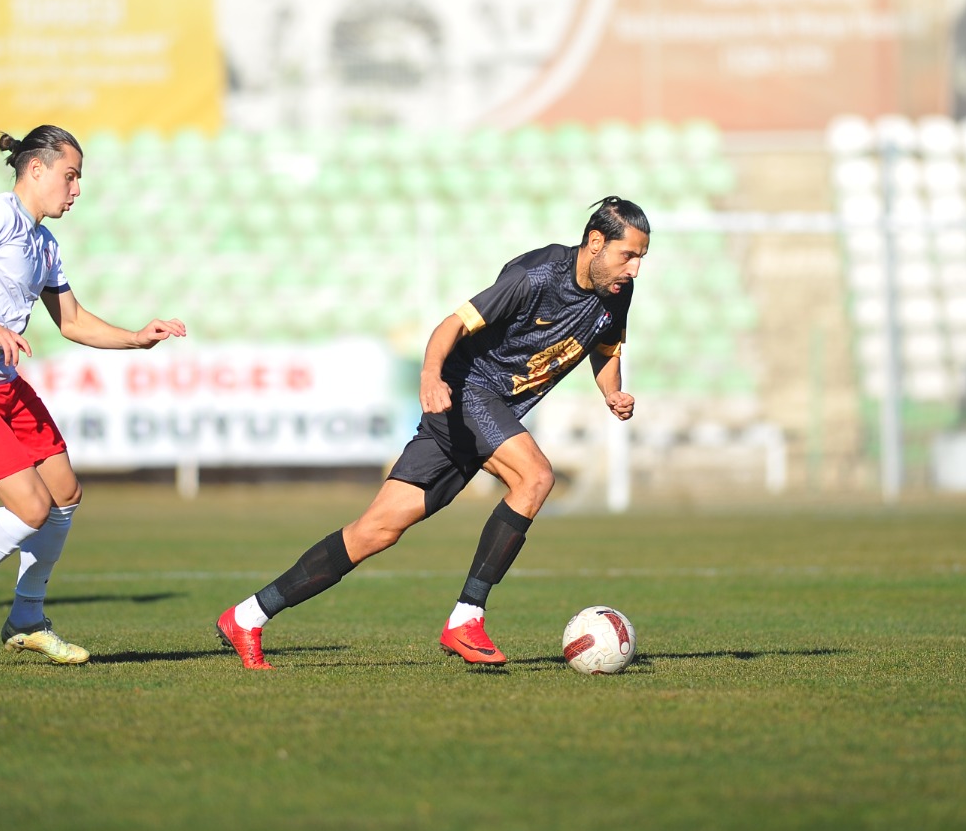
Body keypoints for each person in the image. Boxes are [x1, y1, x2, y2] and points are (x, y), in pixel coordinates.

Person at [216, 196, 650, 670]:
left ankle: (247, 616)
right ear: (594, 243)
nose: (634, 269)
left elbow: (605, 348)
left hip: (483, 413)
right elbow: (451, 325)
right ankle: (466, 618)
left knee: (374, 532)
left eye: (641, 258)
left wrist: (612, 392)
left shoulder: (616, 293)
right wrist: (430, 375)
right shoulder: (535, 276)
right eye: (628, 255)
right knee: (536, 477)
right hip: (465, 392)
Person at [0, 125, 186, 667]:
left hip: (2, 385)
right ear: (36, 169)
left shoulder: (44, 243)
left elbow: (73, 321)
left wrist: (135, 337)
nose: (76, 189)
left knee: (65, 494)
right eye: (70, 175)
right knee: (32, 507)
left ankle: (28, 617)